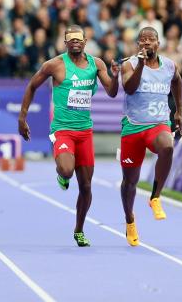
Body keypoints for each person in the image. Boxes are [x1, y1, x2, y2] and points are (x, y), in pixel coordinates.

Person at [18, 25, 119, 247]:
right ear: (65, 43)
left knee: (86, 187)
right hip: (62, 130)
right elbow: (32, 86)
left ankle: (79, 229)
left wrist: (116, 75)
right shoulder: (54, 65)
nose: (75, 42)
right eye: (70, 39)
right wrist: (22, 118)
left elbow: (112, 92)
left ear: (85, 42)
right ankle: (62, 175)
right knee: (66, 169)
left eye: (78, 39)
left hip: (85, 132)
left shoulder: (97, 64)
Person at [119, 26, 182, 247]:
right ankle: (129, 220)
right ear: (138, 44)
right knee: (129, 182)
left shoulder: (168, 65)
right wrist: (141, 65)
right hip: (133, 127)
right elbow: (128, 88)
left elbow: (177, 81)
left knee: (168, 146)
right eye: (142, 40)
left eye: (151, 39)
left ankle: (155, 197)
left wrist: (178, 111)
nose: (146, 43)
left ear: (158, 43)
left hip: (158, 124)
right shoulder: (129, 64)